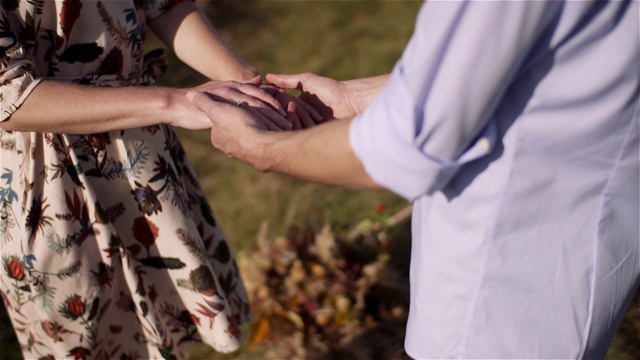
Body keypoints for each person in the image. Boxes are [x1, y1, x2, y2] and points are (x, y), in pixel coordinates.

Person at [188, 0, 640, 358]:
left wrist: (263, 150)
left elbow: (401, 150)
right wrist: (354, 96)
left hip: (500, 287)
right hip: (585, 246)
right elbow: (514, 60)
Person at [0, 0, 320, 358]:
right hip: (48, 184)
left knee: (164, 329)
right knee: (89, 336)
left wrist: (247, 86)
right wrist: (176, 103)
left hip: (141, 155)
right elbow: (9, 94)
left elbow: (164, 5)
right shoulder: (167, 104)